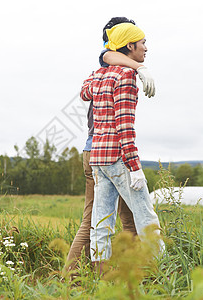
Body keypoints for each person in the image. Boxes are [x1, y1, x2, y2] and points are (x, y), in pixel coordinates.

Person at [64, 17, 156, 276]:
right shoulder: (116, 69)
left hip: (94, 153)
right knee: (134, 218)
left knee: (106, 220)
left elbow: (85, 90)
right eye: (142, 42)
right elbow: (124, 125)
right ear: (125, 44)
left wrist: (138, 68)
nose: (146, 47)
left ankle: (108, 275)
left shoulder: (99, 73)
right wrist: (139, 69)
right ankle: (143, 274)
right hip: (112, 152)